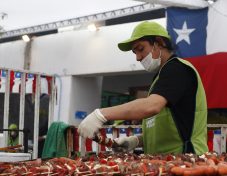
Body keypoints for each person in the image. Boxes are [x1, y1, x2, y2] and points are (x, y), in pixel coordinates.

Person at [78, 21, 208, 154]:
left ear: (159, 42)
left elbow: (151, 106)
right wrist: (137, 140)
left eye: (140, 49)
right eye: (134, 52)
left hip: (186, 160)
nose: (138, 58)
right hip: (163, 162)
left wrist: (101, 114)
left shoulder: (177, 69)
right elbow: (171, 127)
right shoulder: (160, 77)